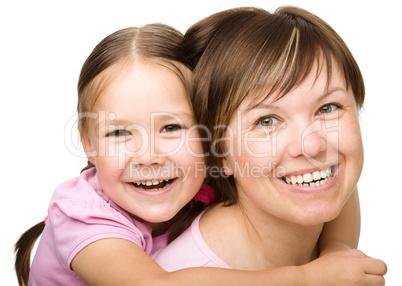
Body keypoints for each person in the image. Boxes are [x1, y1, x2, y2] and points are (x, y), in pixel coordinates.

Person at [14, 18, 382, 286]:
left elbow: (325, 176)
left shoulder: (199, 165)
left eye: (172, 128)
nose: (150, 155)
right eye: (120, 132)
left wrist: (338, 250)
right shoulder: (81, 215)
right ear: (88, 143)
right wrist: (306, 278)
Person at [155, 6, 387, 285]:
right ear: (218, 154)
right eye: (266, 121)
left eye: (328, 107)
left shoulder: (325, 227)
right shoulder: (182, 272)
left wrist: (338, 249)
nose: (312, 146)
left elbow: (342, 176)